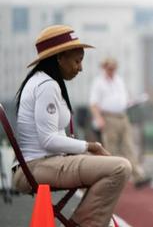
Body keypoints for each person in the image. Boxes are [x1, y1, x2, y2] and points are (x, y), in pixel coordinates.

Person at [13, 25, 131, 227]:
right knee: (120, 167)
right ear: (59, 58)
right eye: (77, 61)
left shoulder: (45, 82)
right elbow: (48, 140)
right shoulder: (46, 86)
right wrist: (89, 146)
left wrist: (82, 150)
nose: (81, 67)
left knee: (112, 165)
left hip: (42, 163)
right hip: (35, 168)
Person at [90, 57, 152, 188]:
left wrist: (134, 101)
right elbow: (94, 103)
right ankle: (109, 177)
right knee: (110, 148)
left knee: (129, 147)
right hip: (109, 117)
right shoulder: (99, 82)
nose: (112, 70)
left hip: (123, 116)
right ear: (105, 67)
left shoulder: (119, 80)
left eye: (114, 67)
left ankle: (138, 176)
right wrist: (99, 118)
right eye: (109, 67)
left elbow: (125, 99)